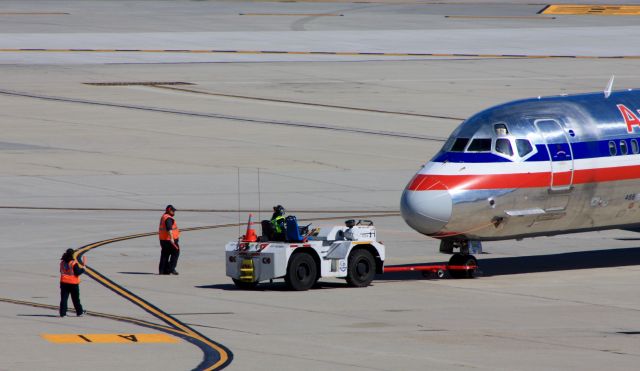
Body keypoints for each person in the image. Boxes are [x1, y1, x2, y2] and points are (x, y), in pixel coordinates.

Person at [59, 248, 86, 317]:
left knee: (64, 298)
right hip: (73, 283)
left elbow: (61, 271)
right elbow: (77, 273)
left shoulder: (62, 262)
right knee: (75, 299)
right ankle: (79, 312)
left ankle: (63, 313)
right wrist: (83, 269)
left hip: (64, 282)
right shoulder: (73, 263)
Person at [158, 204, 180, 275]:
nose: (174, 212)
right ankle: (171, 268)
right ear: (169, 210)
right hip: (169, 240)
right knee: (176, 252)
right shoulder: (168, 218)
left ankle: (163, 270)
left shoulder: (163, 217)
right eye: (173, 211)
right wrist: (172, 238)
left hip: (163, 240)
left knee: (165, 254)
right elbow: (169, 229)